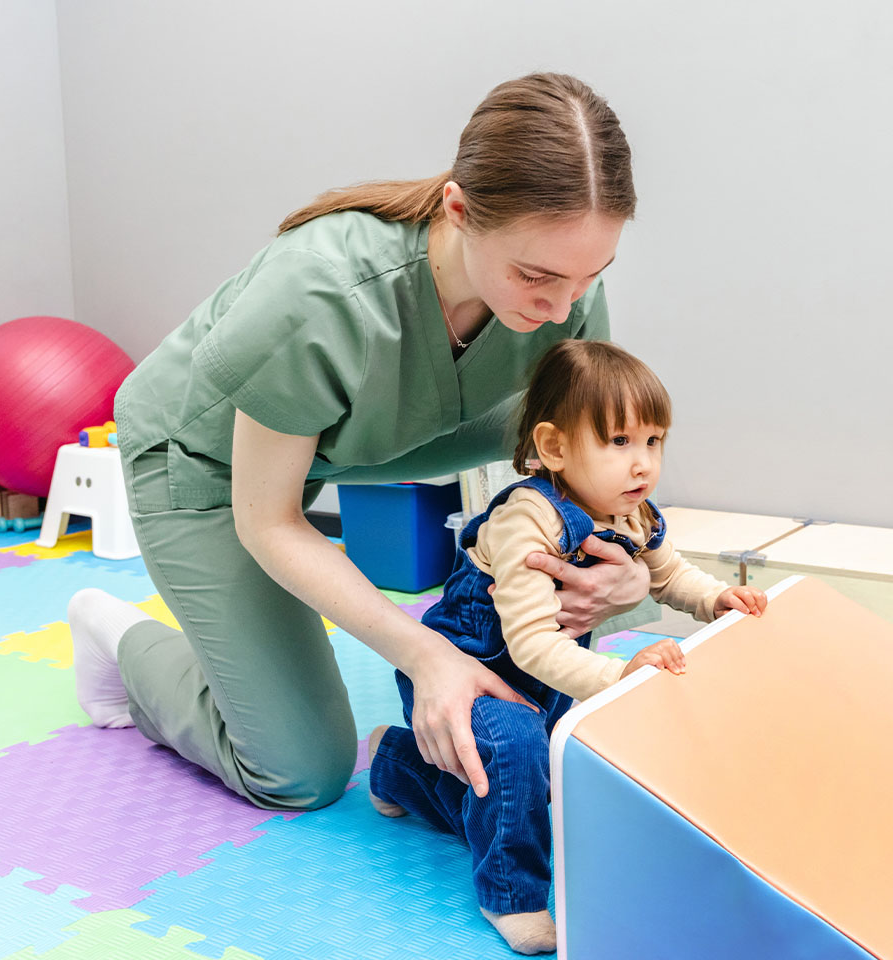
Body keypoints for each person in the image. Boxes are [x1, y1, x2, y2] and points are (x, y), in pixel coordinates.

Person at [68, 72, 653, 822]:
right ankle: (120, 640)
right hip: (205, 463)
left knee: (563, 437)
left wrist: (625, 570)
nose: (561, 308)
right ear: (459, 210)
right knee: (298, 771)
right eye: (535, 276)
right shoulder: (321, 294)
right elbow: (270, 522)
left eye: (589, 277)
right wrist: (426, 654)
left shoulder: (563, 292)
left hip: (354, 438)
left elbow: (594, 459)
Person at [367, 339, 768, 954]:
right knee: (516, 751)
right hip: (470, 667)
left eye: (653, 441)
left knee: (536, 785)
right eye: (619, 442)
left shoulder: (631, 511)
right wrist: (618, 674)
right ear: (554, 447)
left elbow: (669, 575)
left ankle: (399, 764)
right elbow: (528, 644)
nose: (643, 465)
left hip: (552, 671)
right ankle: (511, 894)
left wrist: (716, 599)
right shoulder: (528, 518)